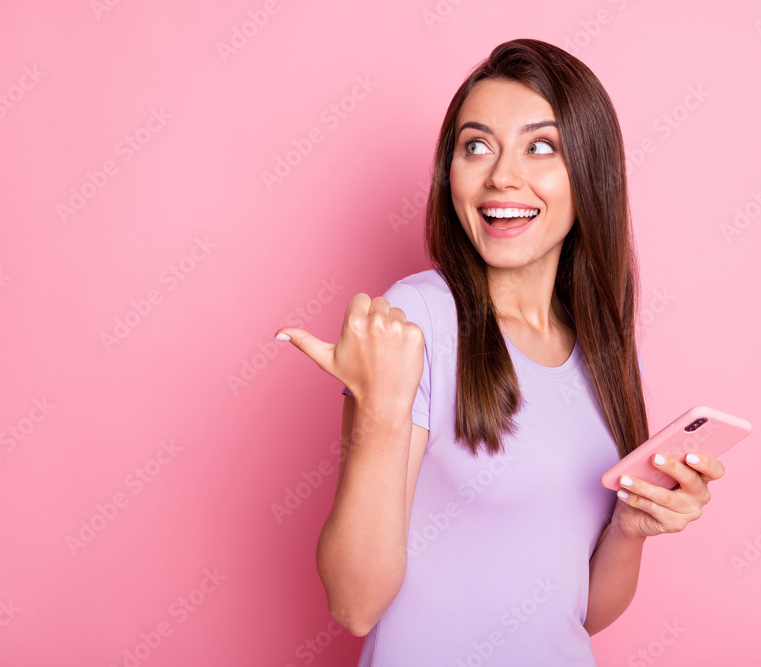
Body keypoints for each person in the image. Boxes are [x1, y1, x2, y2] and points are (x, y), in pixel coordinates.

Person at [274, 38, 725, 666]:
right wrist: (380, 412)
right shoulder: (418, 318)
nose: (501, 177)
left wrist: (630, 527)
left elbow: (581, 613)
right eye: (476, 146)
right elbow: (354, 604)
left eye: (540, 147)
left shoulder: (610, 352)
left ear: (590, 174)